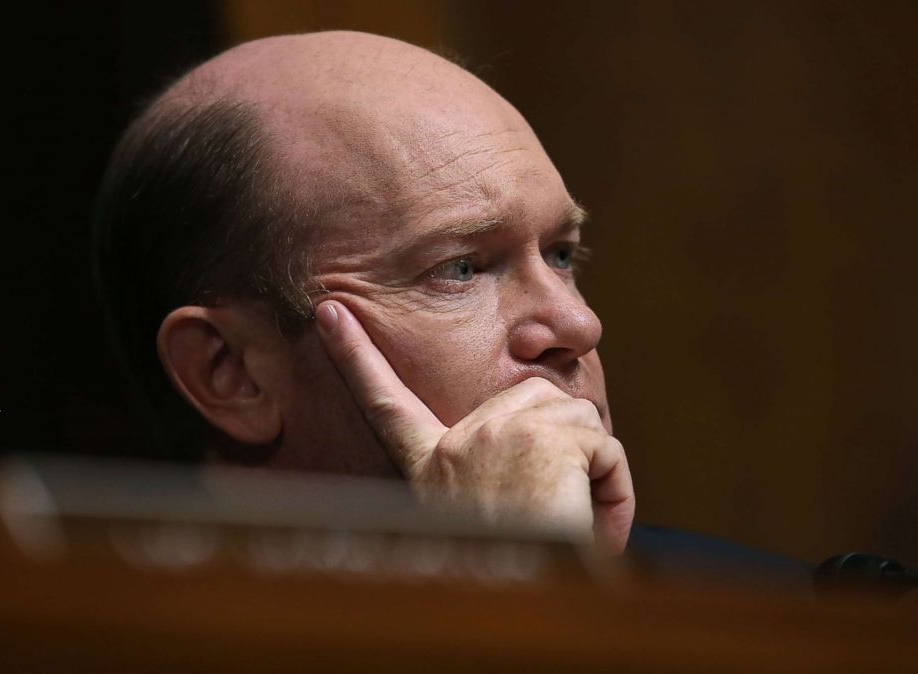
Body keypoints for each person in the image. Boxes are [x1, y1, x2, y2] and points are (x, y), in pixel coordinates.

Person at [95, 31, 801, 577]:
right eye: (460, 269)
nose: (578, 325)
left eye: (562, 254)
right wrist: (515, 593)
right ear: (232, 372)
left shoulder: (803, 618)